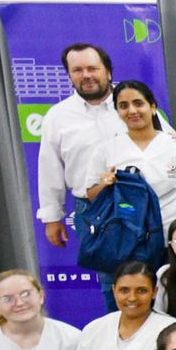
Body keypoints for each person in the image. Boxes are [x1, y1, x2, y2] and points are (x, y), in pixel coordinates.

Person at [37, 44, 127, 248]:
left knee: (157, 273)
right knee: (109, 276)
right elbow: (50, 168)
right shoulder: (57, 116)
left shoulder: (132, 103)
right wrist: (52, 217)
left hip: (140, 200)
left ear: (108, 72)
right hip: (91, 209)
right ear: (69, 75)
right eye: (77, 70)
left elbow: (164, 141)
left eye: (92, 68)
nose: (86, 75)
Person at [88, 80, 176, 236]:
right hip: (127, 238)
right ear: (117, 112)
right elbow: (92, 195)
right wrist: (105, 184)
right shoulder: (106, 150)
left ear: (153, 107)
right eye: (123, 106)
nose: (132, 111)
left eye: (138, 103)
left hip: (175, 237)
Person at [68, 261, 176, 350]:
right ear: (114, 290)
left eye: (141, 291)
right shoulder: (95, 328)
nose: (132, 298)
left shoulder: (171, 330)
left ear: (154, 292)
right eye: (124, 290)